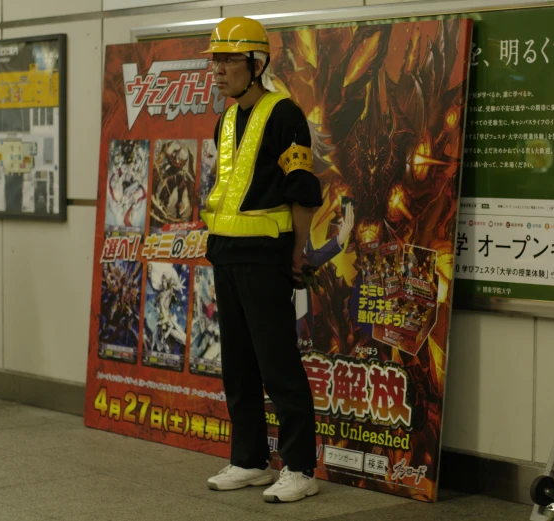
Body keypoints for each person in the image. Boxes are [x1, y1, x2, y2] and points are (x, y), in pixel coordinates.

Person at [198, 16, 322, 503]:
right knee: (238, 366)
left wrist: (297, 252)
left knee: (278, 364)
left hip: (267, 256)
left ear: (256, 64)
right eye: (216, 60)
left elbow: (303, 192)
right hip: (227, 253)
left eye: (228, 60)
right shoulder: (226, 119)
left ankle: (300, 466)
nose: (218, 69)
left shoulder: (286, 113)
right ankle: (249, 460)